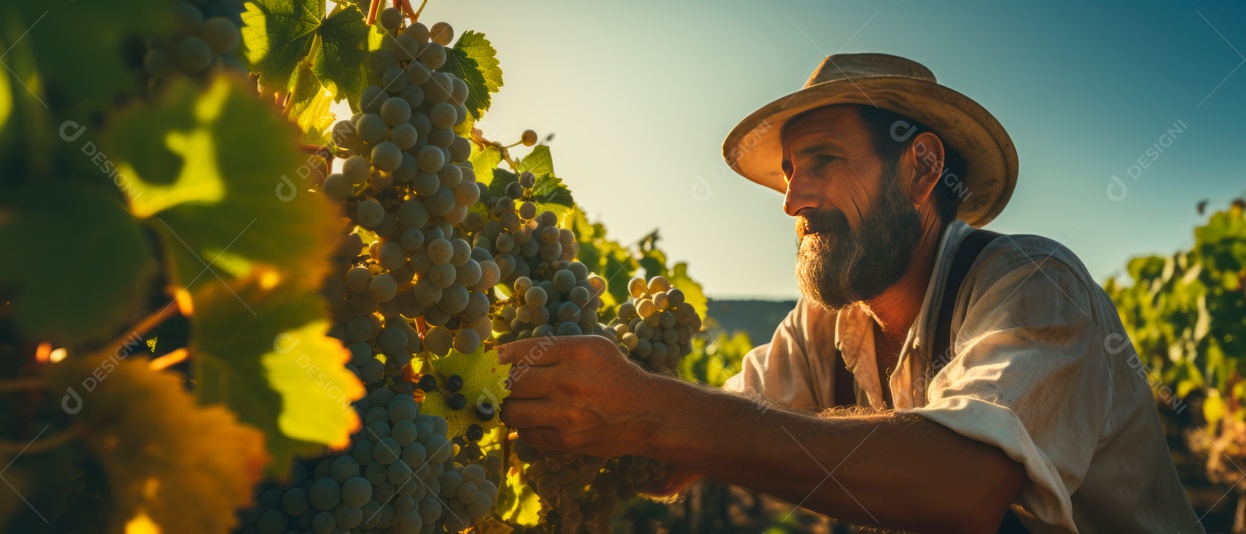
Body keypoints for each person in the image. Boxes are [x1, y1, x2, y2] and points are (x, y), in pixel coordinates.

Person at [496, 53, 1203, 533]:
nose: (792, 200)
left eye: (825, 162)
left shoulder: (1033, 287)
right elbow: (702, 433)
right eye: (790, 170)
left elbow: (965, 486)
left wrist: (651, 411)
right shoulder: (823, 328)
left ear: (922, 166)